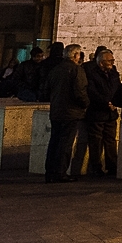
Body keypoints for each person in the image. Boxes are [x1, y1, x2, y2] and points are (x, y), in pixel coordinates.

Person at [43, 44, 86, 183]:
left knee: (54, 141)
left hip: (56, 111)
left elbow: (46, 90)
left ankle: (50, 172)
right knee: (65, 143)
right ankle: (60, 172)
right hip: (71, 112)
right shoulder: (75, 70)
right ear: (75, 55)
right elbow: (80, 92)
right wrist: (86, 104)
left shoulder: (56, 69)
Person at [76, 47, 121, 177]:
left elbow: (117, 87)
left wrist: (115, 102)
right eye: (110, 61)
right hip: (97, 112)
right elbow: (92, 91)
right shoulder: (91, 72)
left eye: (113, 60)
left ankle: (112, 166)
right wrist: (106, 103)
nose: (112, 63)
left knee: (110, 140)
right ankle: (96, 168)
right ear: (101, 62)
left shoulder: (113, 72)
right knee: (96, 141)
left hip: (111, 113)